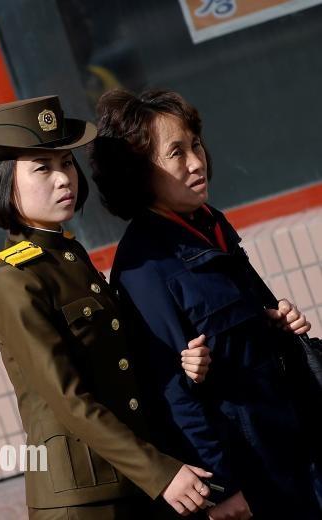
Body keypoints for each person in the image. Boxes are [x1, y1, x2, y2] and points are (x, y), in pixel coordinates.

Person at [0, 95, 217, 519]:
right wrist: (159, 472)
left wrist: (181, 363)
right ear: (2, 183)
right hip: (82, 498)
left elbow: (115, 361)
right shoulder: (15, 281)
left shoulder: (67, 254)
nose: (63, 178)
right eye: (42, 169)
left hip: (130, 479)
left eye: (66, 163)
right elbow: (70, 400)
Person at [91, 88, 321, 519]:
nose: (196, 162)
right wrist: (222, 489)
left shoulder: (209, 221)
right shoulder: (144, 266)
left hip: (292, 437)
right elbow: (173, 392)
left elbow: (248, 317)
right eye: (176, 153)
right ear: (138, 172)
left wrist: (278, 320)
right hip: (250, 471)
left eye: (195, 144)